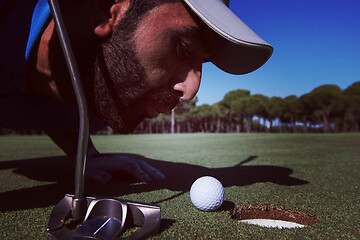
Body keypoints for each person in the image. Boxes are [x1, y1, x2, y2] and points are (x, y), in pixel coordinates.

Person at [0, 0, 273, 184]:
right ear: (105, 9)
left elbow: (59, 109)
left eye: (202, 64)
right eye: (183, 49)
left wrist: (84, 156)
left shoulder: (97, 101)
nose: (190, 91)